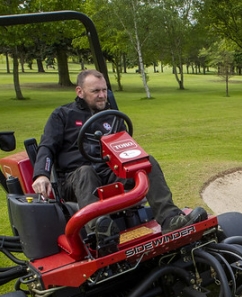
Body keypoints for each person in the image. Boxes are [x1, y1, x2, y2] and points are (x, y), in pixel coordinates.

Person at [32, 69, 206, 240]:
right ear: (80, 91)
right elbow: (47, 146)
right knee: (86, 172)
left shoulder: (112, 117)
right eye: (95, 91)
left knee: (147, 163)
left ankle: (170, 219)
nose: (102, 95)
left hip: (108, 173)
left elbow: (125, 149)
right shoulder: (62, 115)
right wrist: (41, 174)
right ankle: (101, 232)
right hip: (74, 179)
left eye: (104, 90)